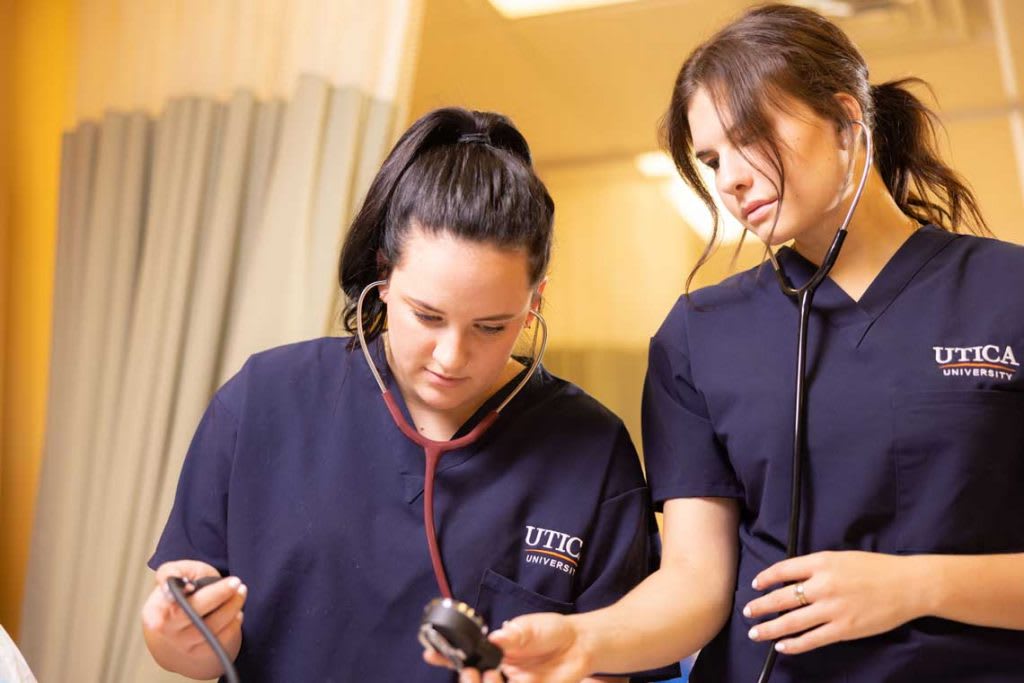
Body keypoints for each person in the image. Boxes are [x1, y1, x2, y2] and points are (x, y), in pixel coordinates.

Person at [479, 5, 1024, 682]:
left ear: (848, 121)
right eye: (711, 158)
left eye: (751, 137)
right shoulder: (697, 335)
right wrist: (586, 640)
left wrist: (915, 587)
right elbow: (695, 584)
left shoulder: (1009, 292)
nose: (730, 178)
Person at [140, 106, 678, 682]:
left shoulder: (592, 453)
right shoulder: (265, 400)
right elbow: (186, 641)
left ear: (535, 303)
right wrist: (174, 633)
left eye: (491, 326)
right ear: (385, 275)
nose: (451, 355)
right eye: (427, 315)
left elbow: (616, 665)